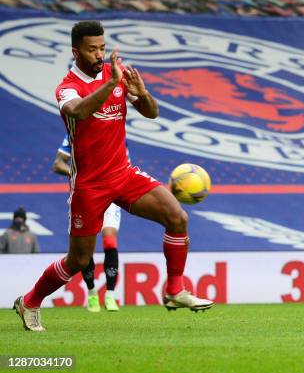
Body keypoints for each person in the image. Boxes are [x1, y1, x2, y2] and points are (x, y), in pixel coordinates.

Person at [14, 20, 212, 332]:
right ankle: (30, 301)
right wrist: (111, 85)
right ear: (75, 51)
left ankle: (175, 291)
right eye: (92, 49)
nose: (99, 54)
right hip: (89, 186)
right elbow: (78, 111)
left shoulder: (116, 75)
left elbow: (152, 112)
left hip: (123, 173)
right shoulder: (68, 87)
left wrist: (142, 93)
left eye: (102, 48)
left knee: (177, 217)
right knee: (78, 261)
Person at [53, 134, 120, 312]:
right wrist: (79, 175)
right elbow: (58, 164)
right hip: (86, 193)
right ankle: (92, 292)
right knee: (85, 248)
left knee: (110, 239)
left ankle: (110, 295)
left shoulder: (114, 128)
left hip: (110, 193)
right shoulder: (75, 133)